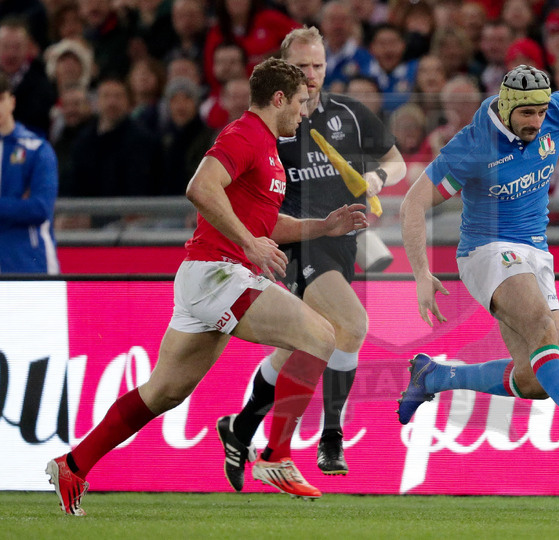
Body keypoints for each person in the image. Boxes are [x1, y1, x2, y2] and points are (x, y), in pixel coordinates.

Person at [46, 58, 368, 516]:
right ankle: (275, 455)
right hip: (219, 271)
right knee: (320, 335)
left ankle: (73, 464)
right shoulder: (245, 135)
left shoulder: (268, 147)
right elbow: (200, 187)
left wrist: (324, 226)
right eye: (299, 103)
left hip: (207, 276)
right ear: (278, 99)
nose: (303, 112)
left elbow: (264, 222)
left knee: (163, 393)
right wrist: (248, 244)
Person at [397, 65, 559, 463]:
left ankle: (434, 376)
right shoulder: (473, 147)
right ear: (506, 107)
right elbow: (412, 205)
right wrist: (421, 273)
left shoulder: (555, 112)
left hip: (536, 252)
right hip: (486, 251)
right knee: (542, 326)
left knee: (535, 378)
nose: (536, 121)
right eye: (527, 113)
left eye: (541, 112)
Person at [216, 27, 405, 490]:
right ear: (285, 70)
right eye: (302, 68)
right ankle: (330, 436)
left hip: (346, 241)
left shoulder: (348, 114)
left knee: (297, 346)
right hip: (297, 242)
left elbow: (397, 161)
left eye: (319, 66)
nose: (313, 75)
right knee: (352, 324)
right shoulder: (269, 125)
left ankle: (240, 429)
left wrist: (378, 177)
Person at [0, 72, 59, 274]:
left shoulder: (38, 149)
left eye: (0, 99)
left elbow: (40, 208)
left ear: (11, 102)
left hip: (31, 264)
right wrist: (17, 204)